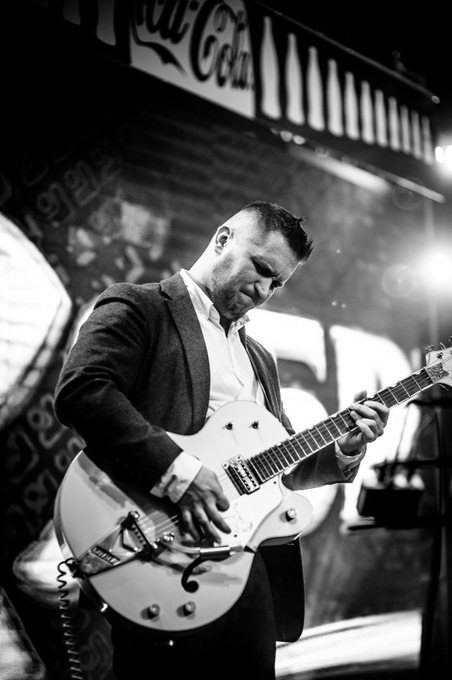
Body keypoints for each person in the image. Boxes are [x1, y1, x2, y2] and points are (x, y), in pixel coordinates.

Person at [53, 200, 389, 680]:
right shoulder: (141, 306)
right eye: (262, 269)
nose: (264, 291)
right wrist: (180, 474)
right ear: (223, 239)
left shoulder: (260, 358)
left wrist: (345, 449)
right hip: (159, 550)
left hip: (248, 564)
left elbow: (281, 467)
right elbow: (83, 391)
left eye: (277, 283)